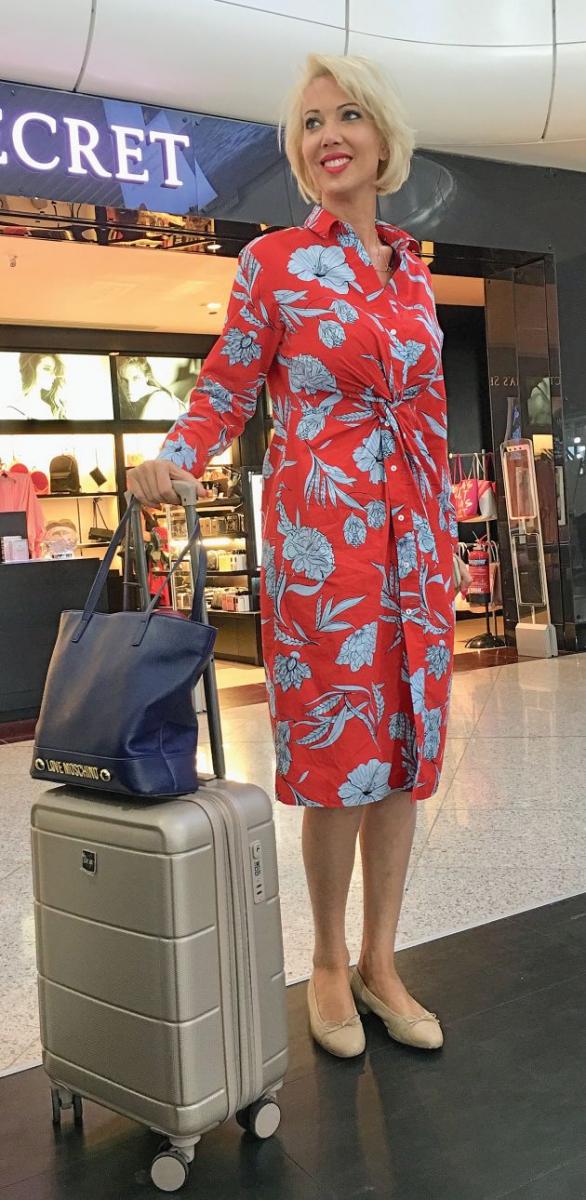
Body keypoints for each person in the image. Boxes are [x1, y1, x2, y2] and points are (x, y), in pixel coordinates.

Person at [127, 53, 457, 1061]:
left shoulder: (414, 274)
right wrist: (175, 456)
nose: (328, 136)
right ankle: (324, 960)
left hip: (416, 550)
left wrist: (441, 535)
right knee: (337, 765)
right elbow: (227, 386)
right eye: (311, 122)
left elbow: (429, 417)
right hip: (327, 555)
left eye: (347, 115)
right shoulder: (274, 263)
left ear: (383, 138)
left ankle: (381, 961)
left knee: (400, 761)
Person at [117, 357, 184, 420]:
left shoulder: (160, 398)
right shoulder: (134, 402)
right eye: (125, 381)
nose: (129, 388)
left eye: (136, 379)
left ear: (146, 377)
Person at [9, 353, 67, 419]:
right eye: (47, 369)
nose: (53, 376)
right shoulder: (15, 409)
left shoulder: (49, 409)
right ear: (31, 369)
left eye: (54, 372)